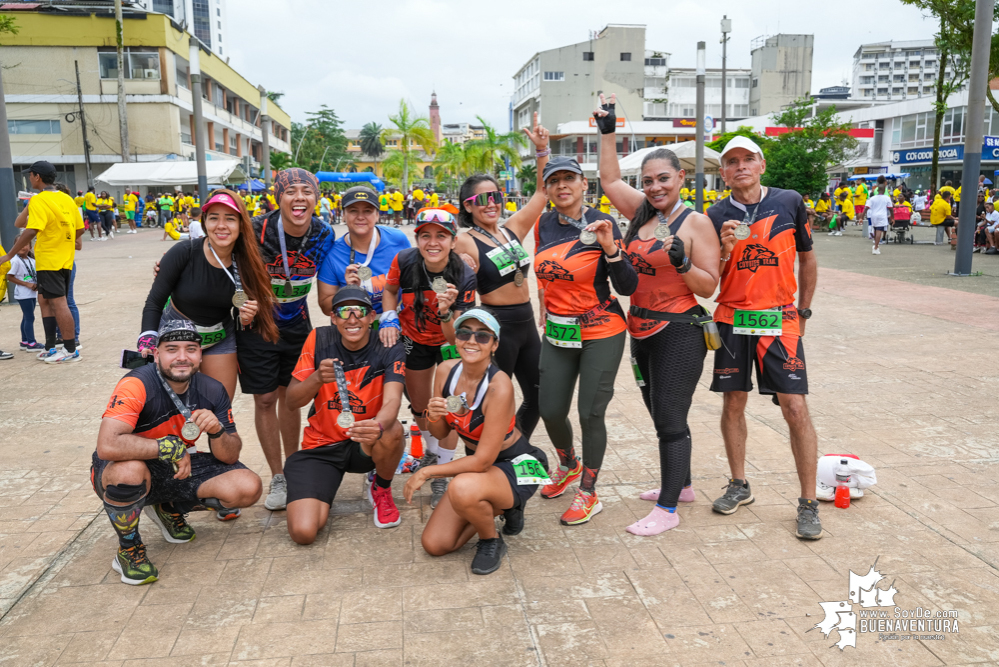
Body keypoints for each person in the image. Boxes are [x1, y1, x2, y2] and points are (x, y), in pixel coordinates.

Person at [594, 94, 720, 535]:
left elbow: (710, 286)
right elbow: (609, 178)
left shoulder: (695, 223)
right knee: (655, 410)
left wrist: (683, 262)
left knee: (670, 416)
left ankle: (668, 509)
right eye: (648, 180)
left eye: (663, 178)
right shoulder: (641, 214)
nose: (654, 187)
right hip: (640, 328)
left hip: (681, 331)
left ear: (680, 178)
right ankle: (680, 485)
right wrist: (607, 132)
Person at [707, 136, 821, 540]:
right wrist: (722, 248)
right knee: (733, 403)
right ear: (722, 173)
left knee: (795, 408)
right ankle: (739, 484)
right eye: (731, 161)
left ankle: (808, 502)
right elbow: (709, 282)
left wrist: (804, 311)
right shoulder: (714, 214)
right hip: (732, 319)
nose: (740, 166)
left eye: (747, 159)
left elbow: (807, 259)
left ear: (761, 165)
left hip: (780, 319)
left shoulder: (789, 201)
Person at [91, 320, 262, 585]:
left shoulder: (213, 389)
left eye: (191, 349)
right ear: (157, 354)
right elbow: (108, 445)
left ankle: (168, 507)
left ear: (200, 354)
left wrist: (217, 431)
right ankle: (128, 550)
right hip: (124, 468)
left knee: (247, 486)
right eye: (172, 349)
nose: (182, 357)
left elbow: (229, 456)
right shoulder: (136, 384)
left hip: (177, 468)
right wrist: (169, 447)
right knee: (130, 471)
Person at [533, 154, 638, 525]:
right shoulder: (543, 223)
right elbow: (546, 272)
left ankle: (589, 493)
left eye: (569, 179)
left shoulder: (603, 223)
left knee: (590, 412)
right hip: (559, 331)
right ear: (546, 189)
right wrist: (544, 303)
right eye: (554, 180)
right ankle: (568, 464)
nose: (561, 185)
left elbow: (627, 285)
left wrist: (610, 248)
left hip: (601, 329)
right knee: (550, 409)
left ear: (583, 185)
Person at [406, 309, 549, 574]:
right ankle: (501, 507)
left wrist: (427, 471)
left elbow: (482, 461)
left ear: (494, 344)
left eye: (483, 336)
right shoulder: (446, 370)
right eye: (464, 333)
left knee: (462, 487)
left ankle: (490, 539)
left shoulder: (499, 385)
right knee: (435, 544)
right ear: (456, 339)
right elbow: (439, 433)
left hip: (514, 465)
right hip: (480, 471)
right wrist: (433, 414)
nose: (472, 341)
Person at [237, 169, 337, 512]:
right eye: (290, 191)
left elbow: (340, 266)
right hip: (258, 322)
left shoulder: (324, 234)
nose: (299, 198)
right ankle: (278, 475)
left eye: (306, 191)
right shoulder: (254, 228)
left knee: (290, 398)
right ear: (277, 196)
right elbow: (216, 248)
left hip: (297, 321)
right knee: (265, 399)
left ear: (316, 197)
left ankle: (294, 468)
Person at [453, 112, 550, 439]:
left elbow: (542, 193)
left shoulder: (511, 230)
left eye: (495, 196)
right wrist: (459, 265)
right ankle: (480, 456)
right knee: (492, 398)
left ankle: (512, 446)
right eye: (481, 199)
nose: (490, 203)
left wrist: (541, 151)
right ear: (467, 206)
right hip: (496, 327)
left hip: (526, 324)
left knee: (540, 396)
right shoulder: (465, 238)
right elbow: (436, 265)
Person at [284, 287, 407, 540]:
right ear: (333, 317)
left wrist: (378, 426)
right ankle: (321, 485)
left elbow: (393, 400)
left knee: (392, 429)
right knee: (303, 532)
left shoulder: (389, 343)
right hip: (322, 445)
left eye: (360, 311)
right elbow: (291, 401)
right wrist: (316, 378)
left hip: (364, 440)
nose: (352, 319)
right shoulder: (318, 338)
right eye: (344, 311)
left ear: (372, 317)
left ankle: (381, 489)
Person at [141, 189, 278, 405]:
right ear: (205, 222)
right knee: (171, 414)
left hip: (219, 337)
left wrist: (247, 318)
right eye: (214, 218)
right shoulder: (184, 252)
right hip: (176, 337)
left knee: (220, 410)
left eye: (230, 219)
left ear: (242, 224)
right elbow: (154, 302)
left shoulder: (249, 261)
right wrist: (147, 338)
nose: (221, 225)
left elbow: (251, 311)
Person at [383, 206, 477, 508]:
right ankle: (430, 452)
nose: (433, 243)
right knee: (422, 407)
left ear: (453, 240)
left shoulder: (464, 272)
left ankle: (441, 474)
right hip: (414, 340)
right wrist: (388, 317)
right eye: (426, 236)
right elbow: (390, 288)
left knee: (448, 407)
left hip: (449, 343)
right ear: (417, 238)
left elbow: (455, 337)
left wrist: (446, 311)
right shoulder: (404, 260)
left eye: (441, 236)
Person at [0, 161, 84, 363]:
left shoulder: (39, 200)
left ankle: (70, 349)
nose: (29, 178)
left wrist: (9, 255)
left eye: (30, 175)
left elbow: (30, 230)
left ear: (37, 177)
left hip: (49, 260)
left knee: (59, 303)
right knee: (44, 301)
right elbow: (80, 229)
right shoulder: (67, 199)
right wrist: (62, 239)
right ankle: (50, 346)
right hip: (63, 260)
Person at [317, 185, 411, 320]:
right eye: (353, 211)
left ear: (377, 215)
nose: (360, 217)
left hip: (395, 321)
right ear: (343, 215)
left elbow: (411, 281)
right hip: (354, 324)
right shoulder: (333, 253)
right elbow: (325, 308)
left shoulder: (398, 239)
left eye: (368, 211)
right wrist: (347, 291)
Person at [6, 240, 43, 351]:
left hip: (31, 293)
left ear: (30, 246)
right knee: (30, 317)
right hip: (23, 294)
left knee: (27, 316)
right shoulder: (15, 261)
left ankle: (25, 341)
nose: (23, 246)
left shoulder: (32, 260)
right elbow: (10, 277)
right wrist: (26, 284)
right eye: (20, 244)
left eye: (25, 244)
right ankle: (31, 343)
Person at [867, 176, 893, 255]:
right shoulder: (884, 191)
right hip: (882, 214)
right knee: (879, 230)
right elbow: (889, 205)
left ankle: (876, 243)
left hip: (874, 214)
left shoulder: (875, 191)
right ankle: (876, 246)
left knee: (875, 229)